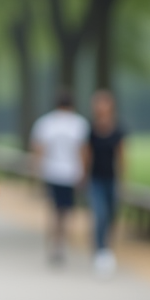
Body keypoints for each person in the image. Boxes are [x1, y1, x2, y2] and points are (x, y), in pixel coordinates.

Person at [30, 90, 90, 266]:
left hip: (52, 172)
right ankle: (62, 242)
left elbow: (39, 149)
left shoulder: (46, 123)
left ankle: (54, 242)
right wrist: (84, 173)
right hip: (71, 173)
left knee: (54, 209)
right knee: (67, 210)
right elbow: (83, 151)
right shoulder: (79, 124)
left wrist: (37, 170)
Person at [83, 89, 127, 278]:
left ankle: (107, 247)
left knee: (111, 215)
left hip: (111, 179)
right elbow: (86, 154)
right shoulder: (90, 130)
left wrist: (123, 180)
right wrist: (83, 176)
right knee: (99, 214)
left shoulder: (118, 130)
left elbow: (122, 155)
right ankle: (101, 251)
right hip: (95, 179)